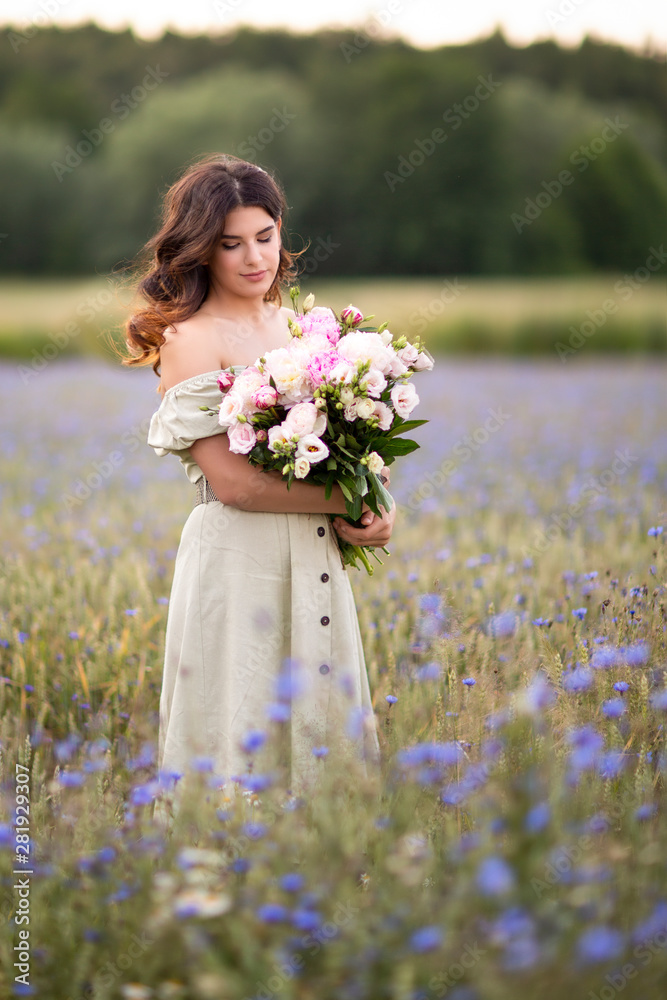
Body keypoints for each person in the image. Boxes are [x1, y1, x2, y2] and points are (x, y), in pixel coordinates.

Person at [122, 153, 395, 807]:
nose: (254, 258)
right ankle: (225, 884)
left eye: (264, 237)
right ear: (199, 251)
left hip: (315, 555)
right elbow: (233, 484)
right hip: (238, 556)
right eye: (230, 244)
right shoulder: (191, 339)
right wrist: (344, 498)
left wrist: (374, 511)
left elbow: (339, 453)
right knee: (238, 726)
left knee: (319, 724)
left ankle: (327, 877)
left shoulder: (302, 327)